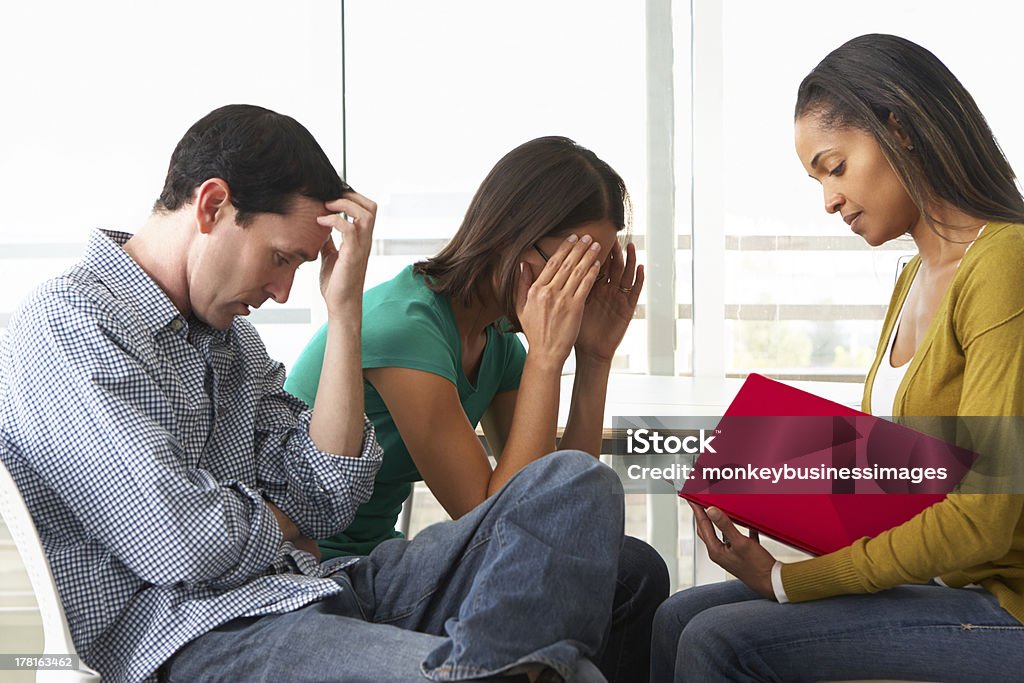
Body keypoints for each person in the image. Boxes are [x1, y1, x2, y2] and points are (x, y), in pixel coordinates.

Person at [0, 105, 628, 683]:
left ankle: (497, 670)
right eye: (280, 258)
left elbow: (328, 496)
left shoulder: (231, 342)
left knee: (577, 485)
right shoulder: (72, 324)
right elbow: (182, 541)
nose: (280, 291)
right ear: (212, 206)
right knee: (571, 666)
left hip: (313, 586)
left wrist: (345, 307)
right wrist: (282, 520)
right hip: (193, 635)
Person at [651, 34, 1024, 682]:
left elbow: (984, 521)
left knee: (717, 640)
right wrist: (764, 486)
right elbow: (902, 483)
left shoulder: (1005, 264)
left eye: (835, 166)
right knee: (676, 617)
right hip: (945, 581)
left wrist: (789, 581)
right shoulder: (912, 278)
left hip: (1003, 606)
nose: (828, 200)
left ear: (900, 130)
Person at [285, 136, 670, 681]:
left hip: (383, 559)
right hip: (324, 569)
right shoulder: (407, 329)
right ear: (513, 240)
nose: (576, 294)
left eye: (591, 273)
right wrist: (545, 358)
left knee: (633, 569)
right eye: (569, 268)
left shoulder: (494, 343)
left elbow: (560, 498)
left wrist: (594, 359)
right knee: (624, 576)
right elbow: (495, 516)